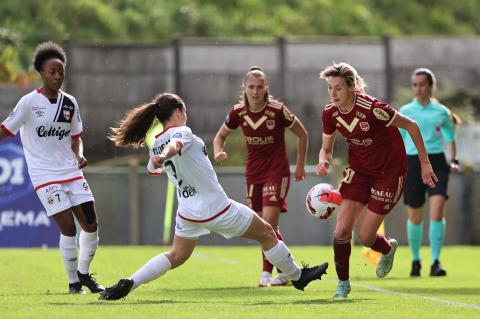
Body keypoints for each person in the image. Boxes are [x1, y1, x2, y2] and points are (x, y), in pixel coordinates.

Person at [99, 93, 328, 301]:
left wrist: (160, 157)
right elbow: (176, 145)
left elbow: (152, 168)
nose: (186, 116)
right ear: (178, 112)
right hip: (217, 208)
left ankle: (129, 282)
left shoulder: (156, 143)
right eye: (185, 112)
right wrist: (167, 154)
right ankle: (298, 277)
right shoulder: (182, 132)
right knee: (267, 232)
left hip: (188, 213)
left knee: (177, 255)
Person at [315, 63, 437, 299]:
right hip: (359, 172)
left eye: (338, 88)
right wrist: (324, 161)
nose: (333, 94)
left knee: (366, 237)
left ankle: (387, 248)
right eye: (330, 88)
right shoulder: (330, 113)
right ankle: (342, 285)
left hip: (390, 173)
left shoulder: (372, 108)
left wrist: (424, 164)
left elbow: (412, 126)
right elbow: (326, 149)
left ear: (351, 86)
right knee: (341, 230)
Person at [0, 41, 104, 294]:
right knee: (68, 227)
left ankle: (84, 273)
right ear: (41, 73)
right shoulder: (28, 103)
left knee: (91, 225)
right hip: (44, 175)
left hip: (71, 171)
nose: (58, 76)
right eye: (52, 72)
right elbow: (4, 130)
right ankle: (73, 284)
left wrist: (79, 155)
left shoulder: (70, 103)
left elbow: (76, 137)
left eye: (61, 71)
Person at [213, 66, 309, 287]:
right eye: (251, 87)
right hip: (254, 172)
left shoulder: (277, 110)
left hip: (277, 170)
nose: (255, 91)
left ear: (266, 88)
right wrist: (218, 151)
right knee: (260, 228)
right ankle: (286, 271)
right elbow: (220, 136)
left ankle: (266, 274)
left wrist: (300, 165)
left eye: (259, 87)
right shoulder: (237, 113)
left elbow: (302, 134)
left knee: (268, 223)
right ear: (244, 89)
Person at [399, 68, 460, 277]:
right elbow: (397, 140)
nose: (418, 88)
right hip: (413, 163)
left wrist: (454, 160)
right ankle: (416, 261)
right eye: (414, 84)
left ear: (431, 86)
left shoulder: (441, 112)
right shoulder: (405, 111)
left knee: (437, 211)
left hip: (436, 162)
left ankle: (435, 262)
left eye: (422, 84)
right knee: (415, 217)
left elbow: (450, 137)